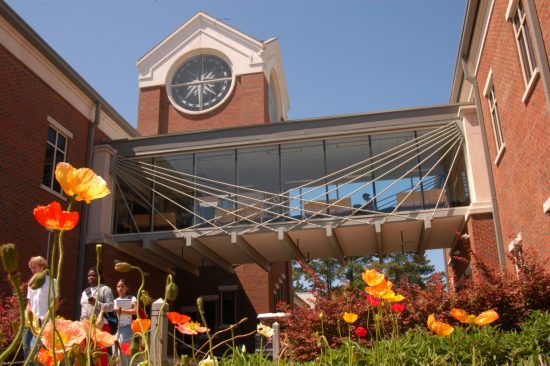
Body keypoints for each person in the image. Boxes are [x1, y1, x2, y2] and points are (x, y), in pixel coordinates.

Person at [24, 256, 57, 365]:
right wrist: (26, 317)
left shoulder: (52, 282)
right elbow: (29, 302)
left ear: (42, 266)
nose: (32, 270)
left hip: (42, 322)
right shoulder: (32, 282)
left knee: (35, 350)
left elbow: (55, 303)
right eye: (30, 268)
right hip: (30, 321)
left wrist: (47, 318)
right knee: (26, 347)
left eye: (34, 267)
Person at [80, 267, 114, 366]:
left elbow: (111, 307)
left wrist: (96, 303)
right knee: (83, 353)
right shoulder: (85, 291)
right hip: (85, 326)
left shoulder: (105, 289)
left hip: (100, 327)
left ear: (100, 277)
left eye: (94, 275)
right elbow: (83, 308)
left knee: (100, 354)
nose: (91, 277)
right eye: (89, 275)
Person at [114, 279, 137, 364]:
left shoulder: (131, 298)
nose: (120, 288)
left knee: (124, 351)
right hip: (119, 327)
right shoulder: (115, 301)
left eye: (122, 286)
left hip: (128, 327)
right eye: (118, 286)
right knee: (115, 348)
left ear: (127, 288)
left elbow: (136, 310)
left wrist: (122, 310)